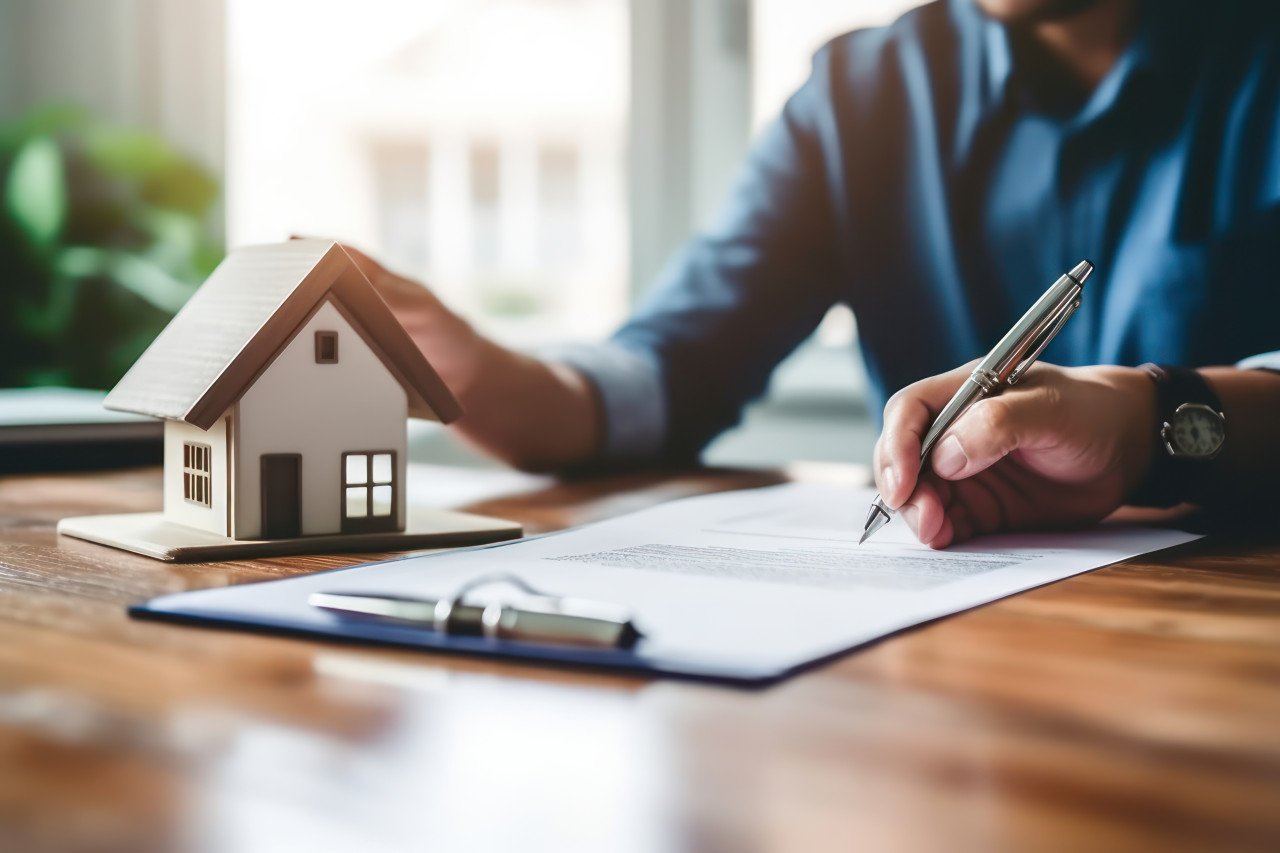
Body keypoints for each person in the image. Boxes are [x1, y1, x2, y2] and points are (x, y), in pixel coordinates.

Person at [352, 0, 1280, 545]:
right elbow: (671, 368)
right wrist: (488, 380)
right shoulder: (860, 97)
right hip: (954, 644)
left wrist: (1152, 421)